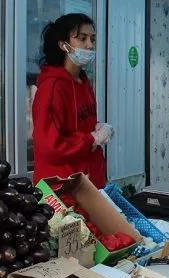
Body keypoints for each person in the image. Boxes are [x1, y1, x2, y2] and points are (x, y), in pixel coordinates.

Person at [32, 14, 112, 190]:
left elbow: (77, 124)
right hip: (63, 189)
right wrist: (91, 139)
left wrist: (96, 127)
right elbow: (49, 145)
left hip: (89, 183)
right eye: (82, 38)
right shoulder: (52, 88)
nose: (90, 45)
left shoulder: (82, 81)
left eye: (92, 39)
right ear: (63, 45)